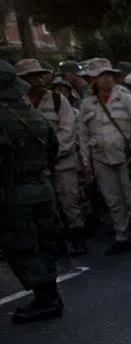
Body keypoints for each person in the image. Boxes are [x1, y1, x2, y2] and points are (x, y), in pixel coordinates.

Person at [0, 61, 64, 324]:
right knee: (45, 241)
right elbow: (53, 148)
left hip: (15, 191)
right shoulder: (32, 114)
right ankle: (50, 294)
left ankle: (46, 300)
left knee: (23, 245)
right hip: (41, 186)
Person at [78, 58, 131, 255]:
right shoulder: (87, 103)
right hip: (100, 156)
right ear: (92, 79)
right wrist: (86, 161)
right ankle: (122, 235)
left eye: (108, 75)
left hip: (125, 155)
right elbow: (83, 134)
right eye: (101, 76)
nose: (106, 79)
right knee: (112, 199)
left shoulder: (125, 97)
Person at [16, 58, 86, 256]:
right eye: (29, 77)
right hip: (35, 166)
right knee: (46, 206)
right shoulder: (17, 104)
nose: (35, 81)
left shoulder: (57, 99)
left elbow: (68, 129)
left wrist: (54, 153)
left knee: (70, 201)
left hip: (62, 162)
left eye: (37, 76)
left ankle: (77, 237)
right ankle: (56, 241)